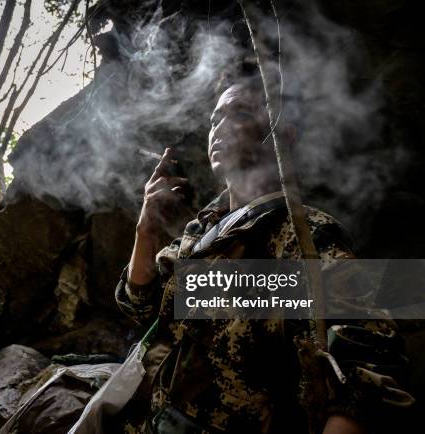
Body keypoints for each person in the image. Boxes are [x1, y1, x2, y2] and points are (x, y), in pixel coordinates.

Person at [113, 75, 414, 433]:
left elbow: (369, 368)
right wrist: (145, 230)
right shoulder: (201, 232)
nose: (219, 128)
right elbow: (141, 304)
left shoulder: (304, 236)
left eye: (238, 113)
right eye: (214, 119)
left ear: (281, 136)